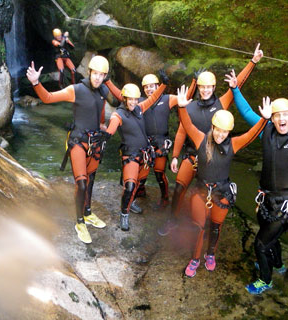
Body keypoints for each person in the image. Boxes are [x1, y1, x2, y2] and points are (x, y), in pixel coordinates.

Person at [158, 43, 264, 236]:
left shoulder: (221, 103)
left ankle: (206, 223)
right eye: (202, 87)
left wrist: (252, 62)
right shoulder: (189, 107)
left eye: (209, 87)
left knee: (212, 192)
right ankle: (173, 219)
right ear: (198, 88)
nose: (206, 90)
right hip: (193, 156)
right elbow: (182, 132)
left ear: (214, 87)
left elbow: (236, 85)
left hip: (214, 158)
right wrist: (174, 156)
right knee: (180, 186)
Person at [176, 85, 270, 278]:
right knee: (198, 226)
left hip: (223, 192)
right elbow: (187, 125)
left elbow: (251, 135)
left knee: (216, 227)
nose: (220, 135)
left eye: (225, 132)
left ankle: (210, 254)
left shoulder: (233, 144)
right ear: (213, 127)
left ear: (229, 132)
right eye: (218, 130)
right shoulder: (201, 139)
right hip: (201, 191)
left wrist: (265, 119)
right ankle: (195, 259)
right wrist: (182, 107)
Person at [26, 55, 122, 244]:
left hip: (94, 141)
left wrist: (102, 125)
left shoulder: (103, 90)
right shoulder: (76, 89)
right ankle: (79, 223)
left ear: (104, 76)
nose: (97, 78)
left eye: (101, 75)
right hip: (78, 141)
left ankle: (87, 213)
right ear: (89, 72)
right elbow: (48, 98)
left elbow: (100, 109)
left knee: (92, 180)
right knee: (82, 183)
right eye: (95, 74)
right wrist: (36, 82)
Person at [227, 70, 288, 294]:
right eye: (278, 115)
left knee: (260, 244)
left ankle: (266, 279)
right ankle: (278, 266)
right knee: (270, 238)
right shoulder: (266, 130)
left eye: (286, 115)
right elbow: (246, 112)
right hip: (266, 199)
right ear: (272, 117)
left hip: (285, 205)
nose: (282, 119)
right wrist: (235, 88)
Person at [105, 73, 168, 231]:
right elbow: (112, 127)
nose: (133, 102)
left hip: (145, 155)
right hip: (131, 155)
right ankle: (124, 214)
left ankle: (131, 203)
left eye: (135, 99)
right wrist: (105, 136)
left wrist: (164, 85)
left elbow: (153, 99)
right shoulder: (118, 114)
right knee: (130, 185)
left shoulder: (140, 108)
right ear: (124, 98)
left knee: (140, 183)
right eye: (130, 99)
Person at [135, 73, 197, 209]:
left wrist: (194, 82)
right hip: (146, 141)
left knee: (159, 172)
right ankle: (140, 190)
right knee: (142, 171)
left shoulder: (167, 99)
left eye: (152, 86)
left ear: (158, 86)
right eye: (146, 87)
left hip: (161, 142)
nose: (149, 89)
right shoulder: (141, 102)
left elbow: (185, 99)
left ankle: (164, 198)